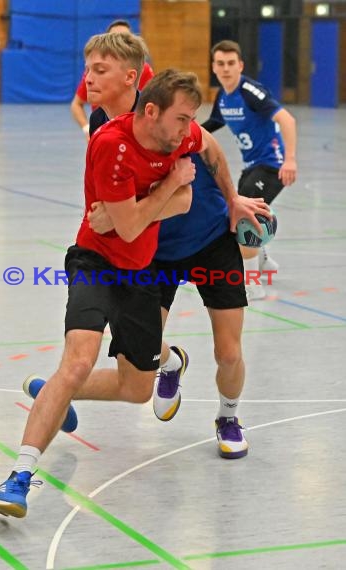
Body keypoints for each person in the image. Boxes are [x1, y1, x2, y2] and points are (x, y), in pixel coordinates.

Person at [0, 38, 216, 518]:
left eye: (98, 69)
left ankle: (54, 391)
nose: (188, 129)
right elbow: (131, 223)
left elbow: (187, 200)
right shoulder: (109, 143)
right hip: (94, 263)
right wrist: (167, 189)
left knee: (137, 389)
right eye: (182, 119)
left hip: (142, 272)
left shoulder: (182, 134)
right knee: (78, 360)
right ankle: (19, 477)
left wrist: (220, 199)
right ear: (152, 111)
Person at [85, 39, 270, 460]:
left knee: (229, 351)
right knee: (137, 346)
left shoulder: (170, 115)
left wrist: (233, 199)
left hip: (210, 239)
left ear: (131, 76)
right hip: (158, 251)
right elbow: (115, 206)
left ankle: (228, 416)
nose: (92, 78)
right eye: (91, 70)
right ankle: (170, 363)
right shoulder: (104, 133)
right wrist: (113, 220)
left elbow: (212, 148)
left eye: (102, 69)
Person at [202, 39, 297, 300]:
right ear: (214, 67)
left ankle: (253, 284)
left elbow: (287, 119)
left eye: (231, 63)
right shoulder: (223, 97)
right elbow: (213, 123)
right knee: (247, 210)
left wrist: (289, 160)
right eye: (220, 64)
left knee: (244, 216)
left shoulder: (250, 91)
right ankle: (263, 260)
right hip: (251, 166)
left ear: (240, 65)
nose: (226, 69)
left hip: (271, 165)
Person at [70, 19, 153, 141]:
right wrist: (86, 127)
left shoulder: (155, 123)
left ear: (130, 77)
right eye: (87, 69)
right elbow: (76, 104)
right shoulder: (97, 120)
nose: (88, 79)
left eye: (101, 70)